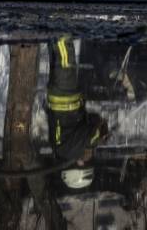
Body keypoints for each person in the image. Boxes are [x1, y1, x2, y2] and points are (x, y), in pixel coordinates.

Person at [46, 35, 108, 190]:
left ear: (79, 165)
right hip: (60, 98)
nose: (89, 158)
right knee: (57, 56)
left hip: (65, 97)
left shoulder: (71, 150)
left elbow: (93, 131)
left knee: (65, 58)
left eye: (87, 162)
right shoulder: (62, 149)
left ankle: (59, 21)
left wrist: (99, 137)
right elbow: (88, 123)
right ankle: (50, 24)